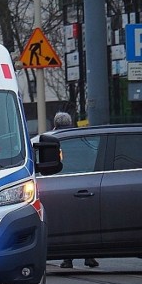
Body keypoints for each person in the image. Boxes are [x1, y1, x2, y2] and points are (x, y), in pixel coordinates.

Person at [53, 112, 99, 269]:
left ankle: (68, 259)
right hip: (85, 182)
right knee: (85, 221)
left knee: (67, 222)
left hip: (64, 183)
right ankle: (89, 255)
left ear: (56, 124)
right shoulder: (79, 136)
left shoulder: (56, 139)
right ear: (70, 122)